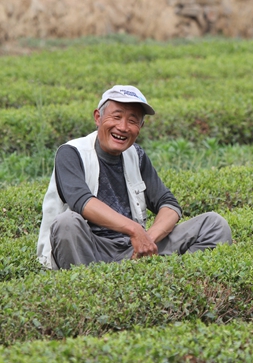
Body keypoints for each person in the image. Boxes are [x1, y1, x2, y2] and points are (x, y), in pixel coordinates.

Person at [37, 85, 232, 270]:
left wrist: (149, 239)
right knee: (67, 222)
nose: (123, 127)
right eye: (117, 116)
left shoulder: (136, 155)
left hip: (132, 249)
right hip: (89, 249)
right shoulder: (72, 152)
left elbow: (169, 204)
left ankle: (167, 279)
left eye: (132, 121)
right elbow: (82, 202)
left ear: (141, 126)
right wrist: (134, 230)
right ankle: (92, 289)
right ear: (98, 117)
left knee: (214, 224)